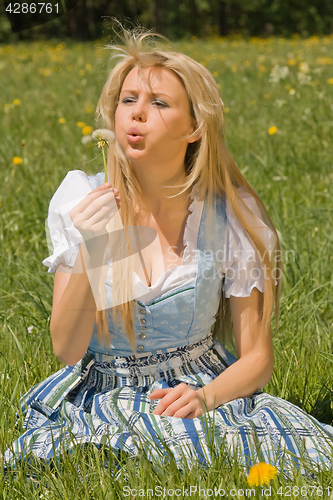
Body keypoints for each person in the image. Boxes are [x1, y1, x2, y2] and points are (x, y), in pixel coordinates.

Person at [5, 27, 333, 472]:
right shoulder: (80, 199)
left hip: (196, 383)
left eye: (158, 103)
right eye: (128, 100)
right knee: (98, 456)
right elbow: (66, 347)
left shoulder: (231, 217)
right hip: (106, 386)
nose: (136, 114)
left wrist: (206, 396)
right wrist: (93, 248)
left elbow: (256, 358)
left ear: (195, 127)